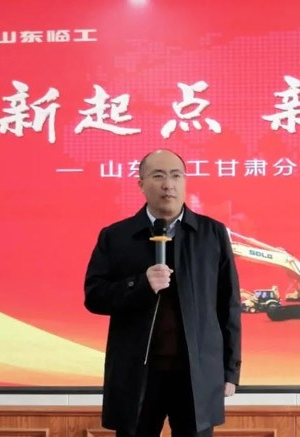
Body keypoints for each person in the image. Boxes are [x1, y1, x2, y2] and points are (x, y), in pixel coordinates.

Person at [84, 149, 242, 437]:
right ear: (141, 184)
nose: (168, 184)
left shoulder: (212, 234)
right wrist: (139, 284)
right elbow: (94, 296)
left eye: (176, 176)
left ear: (185, 181)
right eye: (158, 176)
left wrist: (230, 370)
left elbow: (228, 304)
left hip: (196, 374)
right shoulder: (116, 236)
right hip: (137, 375)